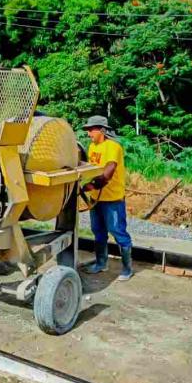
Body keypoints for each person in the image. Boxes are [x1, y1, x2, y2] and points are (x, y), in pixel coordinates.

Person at [81, 115, 133, 281]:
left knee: (117, 231)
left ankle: (127, 268)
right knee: (98, 231)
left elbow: (108, 172)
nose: (89, 133)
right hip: (96, 199)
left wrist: (93, 185)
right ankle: (101, 263)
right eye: (88, 130)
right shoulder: (92, 147)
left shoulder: (113, 147)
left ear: (102, 130)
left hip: (112, 199)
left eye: (91, 129)